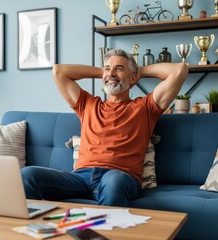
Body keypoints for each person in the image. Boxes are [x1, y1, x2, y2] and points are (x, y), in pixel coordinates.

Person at [21, 49, 188, 207]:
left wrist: (138, 71)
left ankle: (105, 235)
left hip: (120, 177)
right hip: (81, 177)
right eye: (107, 69)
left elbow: (179, 70)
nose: (111, 73)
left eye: (119, 69)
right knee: (28, 175)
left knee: (113, 181)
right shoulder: (87, 104)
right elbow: (59, 71)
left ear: (132, 79)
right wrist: (105, 72)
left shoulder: (145, 107)